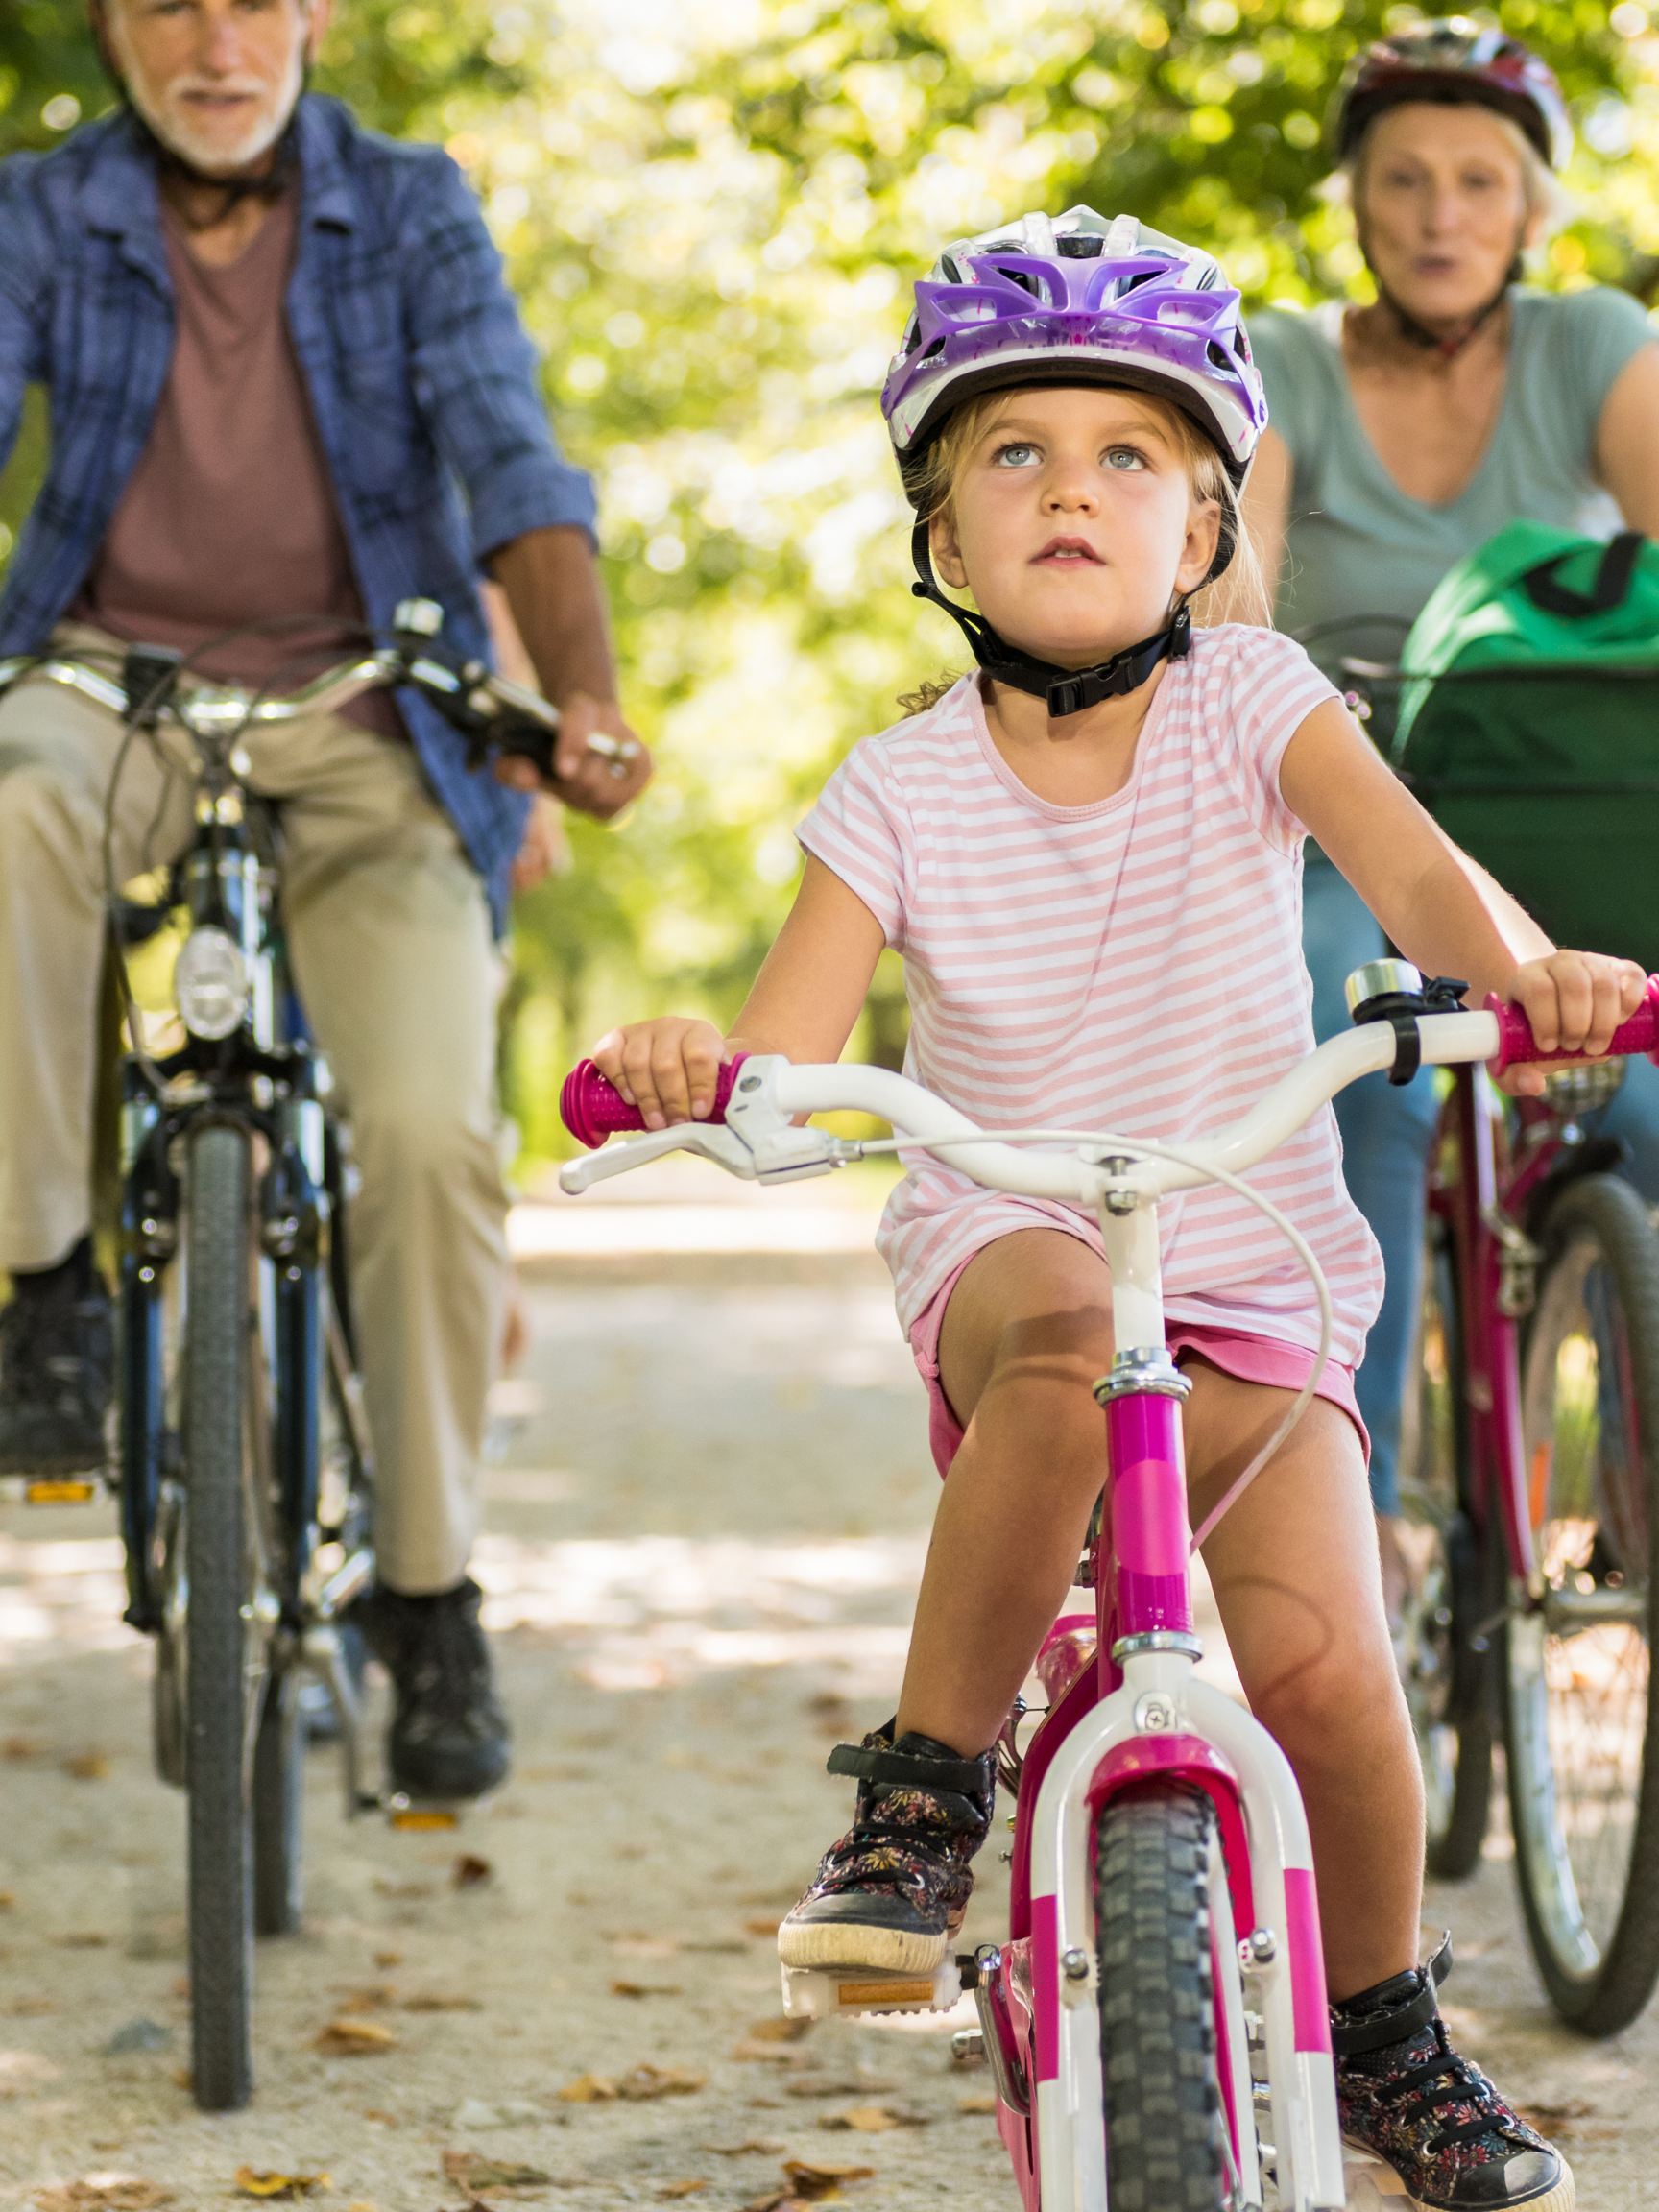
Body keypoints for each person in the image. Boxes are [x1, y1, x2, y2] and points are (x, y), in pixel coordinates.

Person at [588, 204, 1610, 2208]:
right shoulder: (895, 789)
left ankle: (1394, 2032)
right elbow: (793, 1051)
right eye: (1016, 455)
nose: (1075, 488)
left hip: (1248, 1244)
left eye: (1129, 456)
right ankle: (917, 1808)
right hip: (1014, 1229)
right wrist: (706, 1075)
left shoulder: (1256, 701)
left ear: (1209, 525)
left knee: (1325, 1667)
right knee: (1059, 1341)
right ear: (945, 538)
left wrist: (1532, 965)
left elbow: (1419, 884)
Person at [0, 0, 651, 1800]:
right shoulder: (42, 213)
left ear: (313, 18)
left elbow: (510, 456)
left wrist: (576, 695)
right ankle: (45, 1286)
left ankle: (430, 1600)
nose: (213, 42)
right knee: (13, 818)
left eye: (250, 0)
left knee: (435, 1135)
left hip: (369, 704)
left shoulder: (410, 204)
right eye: (165, 4)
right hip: (105, 682)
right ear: (117, 27)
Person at [1240, 20, 1659, 1595]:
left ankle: (1633, 1482)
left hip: (1551, 807)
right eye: (1401, 179)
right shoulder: (1275, 365)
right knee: (1373, 1072)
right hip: (1348, 811)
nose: (1436, 213)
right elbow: (1227, 608)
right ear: (1354, 197)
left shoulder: (1594, 343)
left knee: (1641, 1095)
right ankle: (1365, 1514)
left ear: (1532, 209)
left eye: (1477, 181)